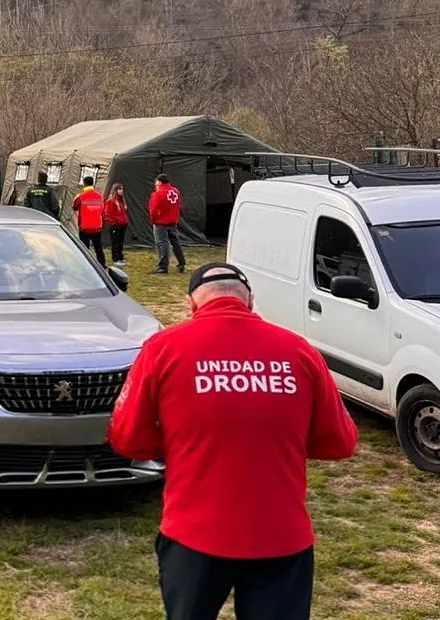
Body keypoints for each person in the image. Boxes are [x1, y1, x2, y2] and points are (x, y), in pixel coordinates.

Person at [107, 263, 358, 620]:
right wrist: (279, 441)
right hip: (281, 537)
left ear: (191, 305)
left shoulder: (163, 349)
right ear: (251, 301)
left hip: (193, 536)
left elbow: (127, 437)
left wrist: (182, 442)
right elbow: (340, 442)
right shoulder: (300, 352)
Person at [149, 174, 186, 274]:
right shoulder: (175, 191)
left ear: (160, 182)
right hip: (173, 221)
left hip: (161, 222)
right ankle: (181, 263)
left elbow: (153, 209)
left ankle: (163, 266)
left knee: (162, 243)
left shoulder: (158, 193)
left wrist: (153, 220)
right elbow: (179, 204)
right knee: (175, 243)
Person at [71, 175, 106, 267]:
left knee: (85, 248)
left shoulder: (80, 197)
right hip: (97, 227)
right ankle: (102, 264)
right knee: (98, 247)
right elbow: (102, 210)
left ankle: (86, 265)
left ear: (84, 184)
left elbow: (74, 206)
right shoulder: (99, 196)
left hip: (85, 227)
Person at [104, 182, 129, 266]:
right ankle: (115, 259)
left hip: (122, 224)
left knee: (120, 242)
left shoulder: (121, 201)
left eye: (122, 189)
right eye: (119, 189)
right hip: (115, 225)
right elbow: (107, 214)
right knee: (115, 242)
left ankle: (120, 257)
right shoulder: (111, 201)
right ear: (115, 190)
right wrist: (113, 223)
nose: (121, 191)